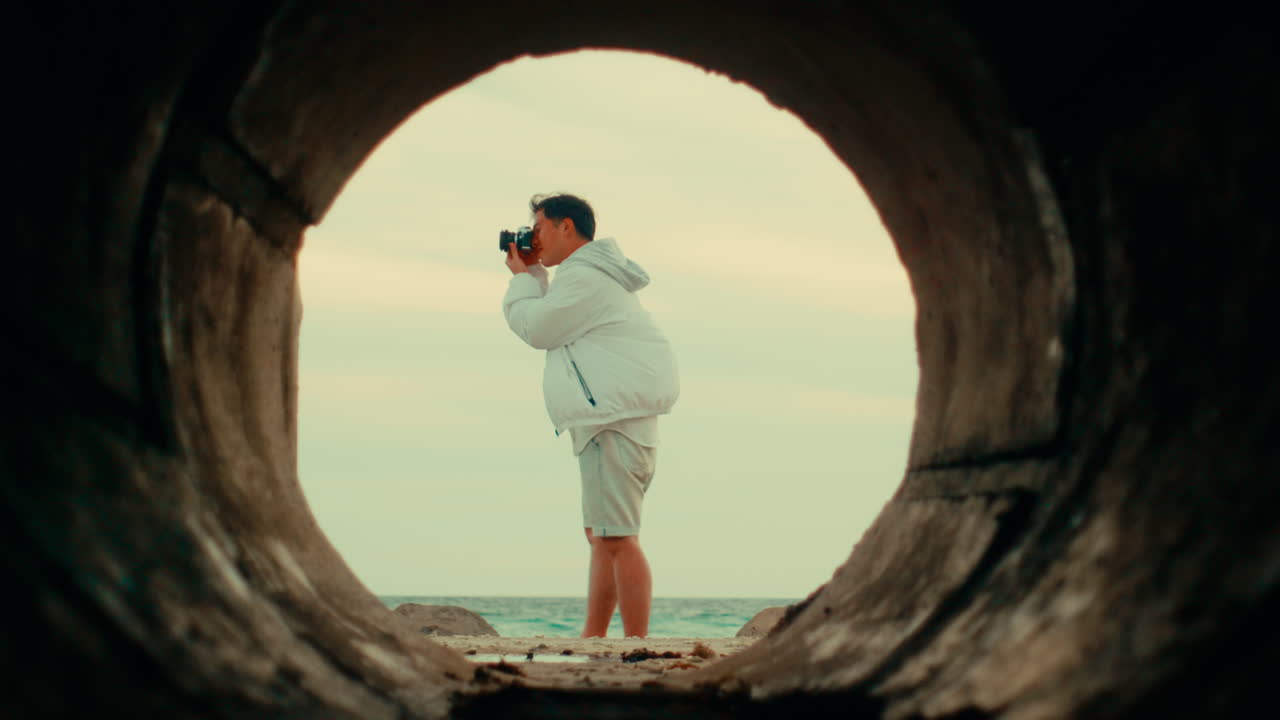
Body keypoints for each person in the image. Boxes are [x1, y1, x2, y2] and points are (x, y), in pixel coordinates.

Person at [502, 193, 679, 638]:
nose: (533, 237)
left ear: (566, 227)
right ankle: (594, 636)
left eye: (538, 227)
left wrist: (523, 279)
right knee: (603, 537)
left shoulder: (584, 277)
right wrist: (537, 274)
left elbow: (539, 329)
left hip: (611, 423)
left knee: (618, 539)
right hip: (615, 421)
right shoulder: (590, 277)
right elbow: (552, 320)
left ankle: (637, 641)